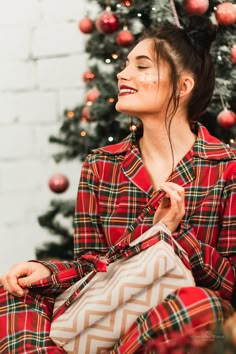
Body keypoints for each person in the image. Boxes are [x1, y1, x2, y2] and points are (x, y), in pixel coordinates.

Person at [0, 15, 236, 353]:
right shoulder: (101, 165)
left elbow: (230, 286)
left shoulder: (227, 169)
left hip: (173, 323)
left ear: (183, 87)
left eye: (142, 67)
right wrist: (45, 271)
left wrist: (170, 235)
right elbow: (89, 267)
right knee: (11, 297)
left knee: (199, 307)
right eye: (125, 66)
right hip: (105, 313)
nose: (122, 75)